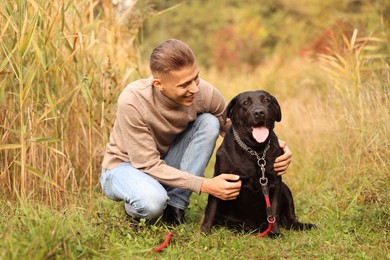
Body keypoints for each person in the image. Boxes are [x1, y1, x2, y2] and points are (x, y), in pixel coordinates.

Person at [100, 39, 292, 225]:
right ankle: (137, 202)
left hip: (165, 160)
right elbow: (147, 164)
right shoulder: (133, 101)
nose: (194, 89)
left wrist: (277, 148)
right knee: (151, 204)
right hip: (125, 166)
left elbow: (236, 128)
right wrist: (205, 185)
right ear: (159, 84)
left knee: (209, 122)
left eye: (196, 78)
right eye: (184, 85)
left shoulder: (204, 92)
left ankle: (176, 207)